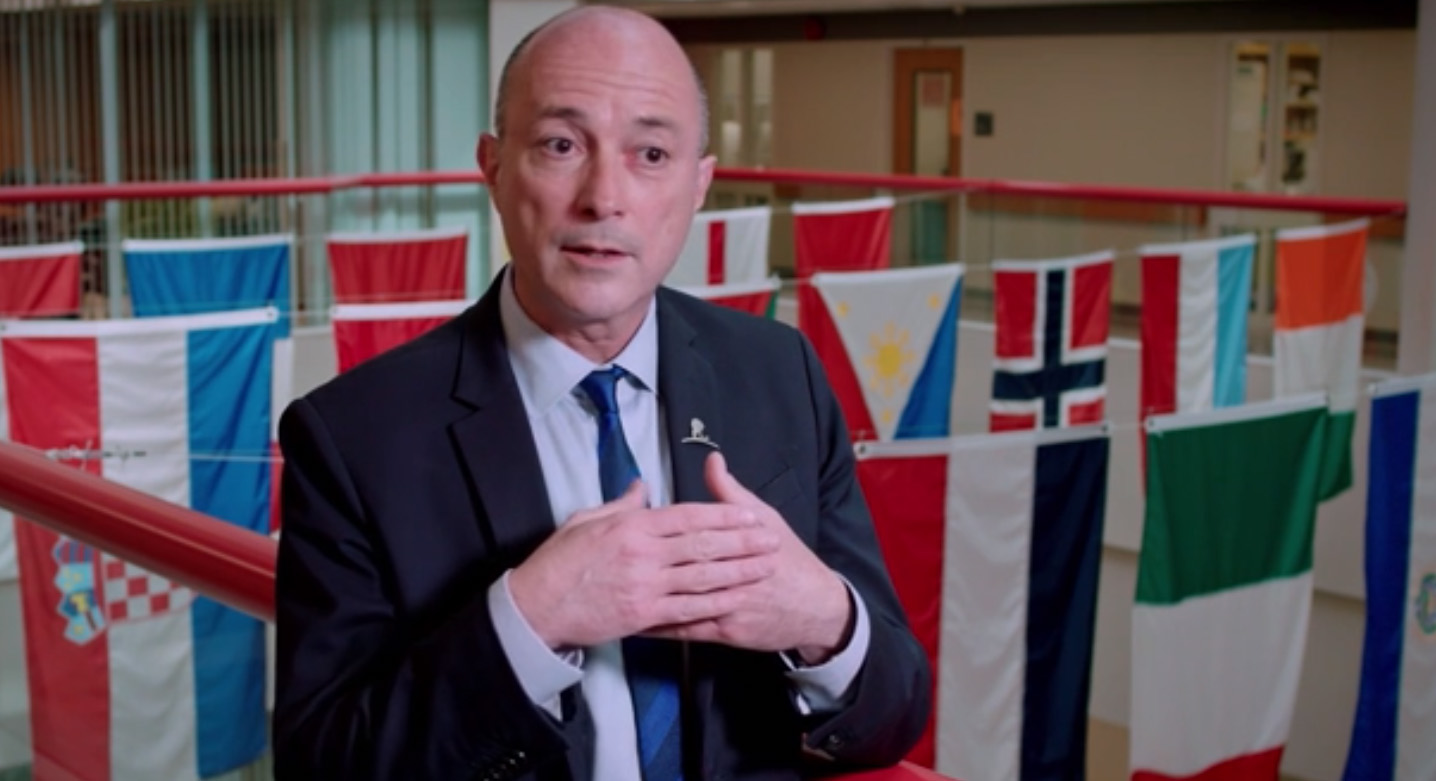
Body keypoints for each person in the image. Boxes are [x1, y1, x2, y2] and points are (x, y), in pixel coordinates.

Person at [272, 7, 930, 780]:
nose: (604, 197)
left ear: (699, 185)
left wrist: (821, 617)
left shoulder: (780, 371)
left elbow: (897, 712)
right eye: (561, 145)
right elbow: (322, 763)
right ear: (493, 167)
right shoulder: (354, 434)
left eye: (651, 154)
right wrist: (526, 621)